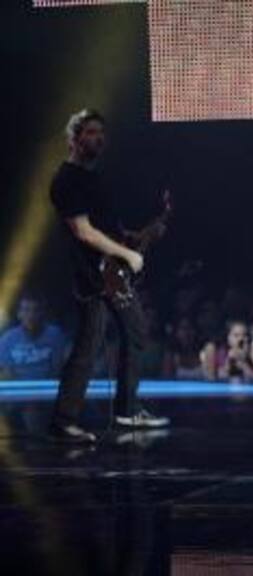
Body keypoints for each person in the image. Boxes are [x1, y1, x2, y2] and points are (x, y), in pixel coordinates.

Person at [48, 109, 169, 444]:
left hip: (109, 271)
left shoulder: (94, 179)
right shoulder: (66, 180)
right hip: (92, 275)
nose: (99, 138)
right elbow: (84, 231)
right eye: (90, 132)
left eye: (101, 132)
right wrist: (129, 255)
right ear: (74, 139)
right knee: (93, 345)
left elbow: (107, 229)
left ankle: (122, 410)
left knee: (129, 333)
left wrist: (138, 237)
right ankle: (68, 420)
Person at [0, 294, 68, 380]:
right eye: (26, 310)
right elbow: (6, 372)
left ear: (43, 313)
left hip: (49, 386)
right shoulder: (7, 339)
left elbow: (58, 368)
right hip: (18, 387)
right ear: (19, 314)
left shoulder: (55, 335)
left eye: (36, 310)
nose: (31, 315)